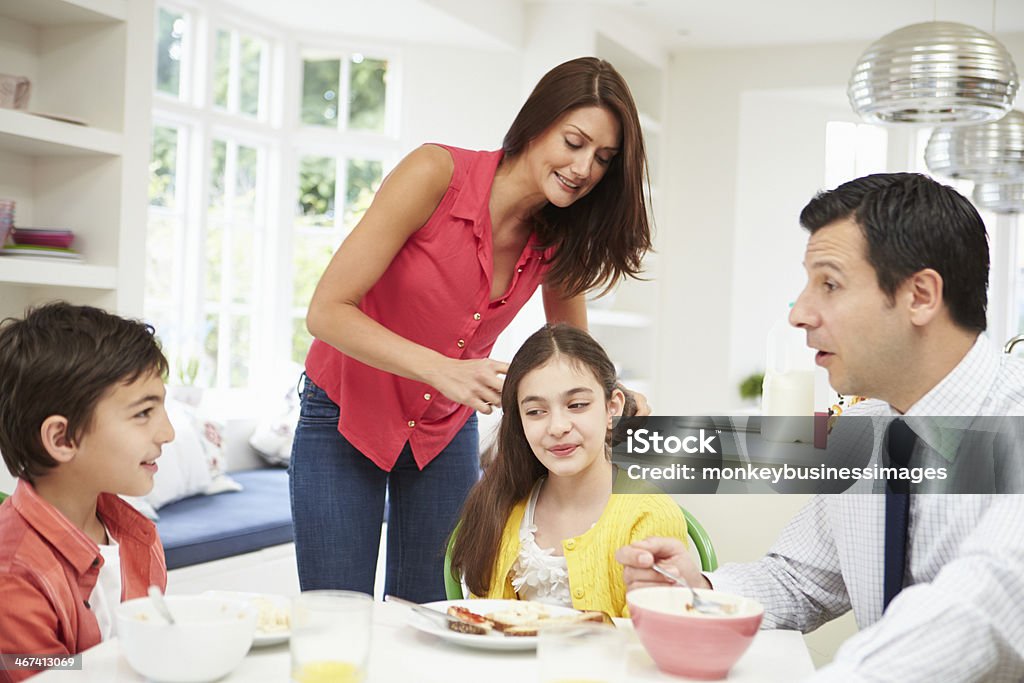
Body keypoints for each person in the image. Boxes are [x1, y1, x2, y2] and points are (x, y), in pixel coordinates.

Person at [617, 173, 1024, 681]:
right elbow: (799, 579)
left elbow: (981, 606)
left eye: (828, 283)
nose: (801, 314)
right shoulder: (868, 431)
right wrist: (696, 588)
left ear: (920, 295)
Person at [293, 56, 653, 602]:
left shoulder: (560, 237)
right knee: (336, 614)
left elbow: (573, 351)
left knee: (429, 615)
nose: (584, 169)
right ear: (537, 124)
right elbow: (326, 310)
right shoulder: (436, 174)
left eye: (603, 158)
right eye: (574, 142)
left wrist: (612, 396)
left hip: (443, 430)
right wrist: (444, 370)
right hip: (343, 415)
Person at [451, 324, 687, 617]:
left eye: (577, 405)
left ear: (612, 408)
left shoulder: (650, 515)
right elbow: (483, 622)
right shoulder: (502, 504)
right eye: (536, 411)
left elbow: (647, 636)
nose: (558, 427)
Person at [0, 303, 174, 681]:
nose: (167, 433)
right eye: (143, 413)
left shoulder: (135, 535)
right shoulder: (11, 575)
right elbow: (46, 674)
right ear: (62, 439)